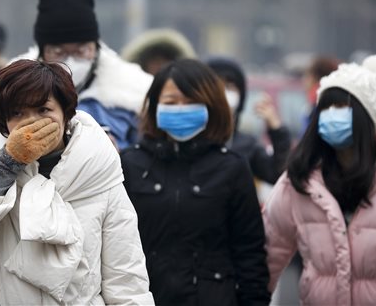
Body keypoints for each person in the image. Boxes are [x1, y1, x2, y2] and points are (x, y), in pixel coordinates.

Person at [0, 0, 153, 290]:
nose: (32, 121)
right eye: (60, 51)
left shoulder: (127, 98)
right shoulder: (8, 95)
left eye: (81, 50)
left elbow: (126, 275)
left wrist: (116, 159)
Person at [0, 59, 154, 305]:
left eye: (43, 110)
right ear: (4, 122)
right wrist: (8, 163)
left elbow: (126, 278)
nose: (31, 122)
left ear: (65, 112)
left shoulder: (100, 175)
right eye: (17, 113)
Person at [120, 59, 271, 305]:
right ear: (155, 105)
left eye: (191, 102)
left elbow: (250, 254)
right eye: (171, 102)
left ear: (212, 106)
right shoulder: (130, 164)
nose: (180, 109)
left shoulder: (231, 167)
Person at [263, 55, 376, 305]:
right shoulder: (301, 178)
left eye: (342, 108)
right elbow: (269, 249)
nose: (331, 116)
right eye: (325, 108)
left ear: (365, 117)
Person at [206, 57, 291, 185]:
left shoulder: (247, 146)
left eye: (229, 87)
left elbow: (278, 176)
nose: (223, 93)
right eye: (216, 86)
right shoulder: (191, 140)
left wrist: (277, 131)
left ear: (241, 95)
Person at [120, 28, 197, 75]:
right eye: (156, 62)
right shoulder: (129, 96)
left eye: (165, 62)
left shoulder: (185, 97)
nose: (160, 67)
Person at [301, 55, 340, 132]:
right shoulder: (331, 100)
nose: (303, 80)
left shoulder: (318, 102)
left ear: (314, 77)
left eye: (307, 76)